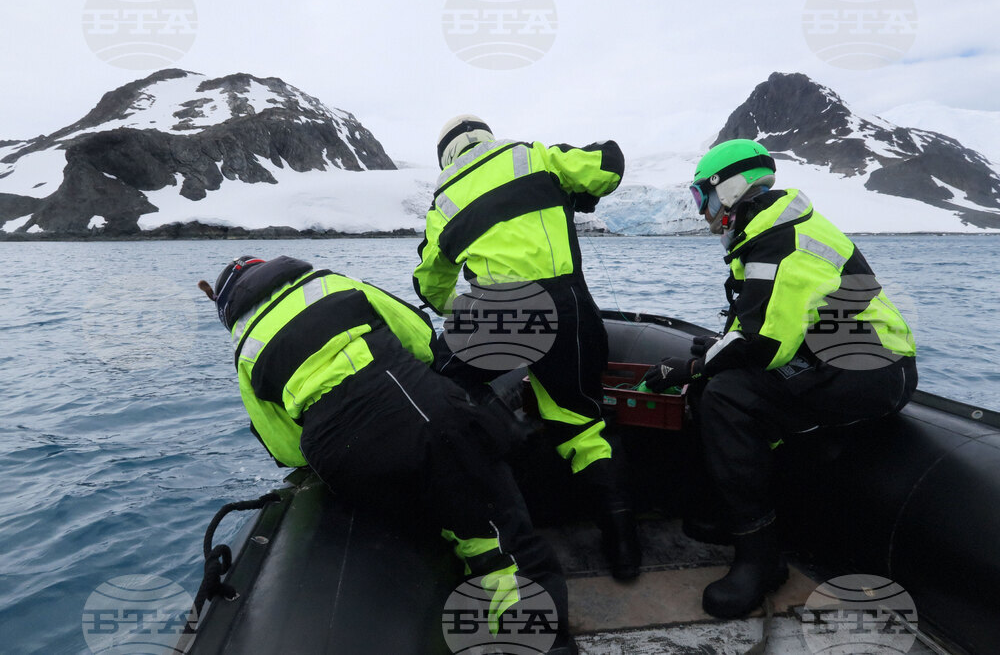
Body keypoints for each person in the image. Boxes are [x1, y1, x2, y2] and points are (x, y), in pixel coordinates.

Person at [198, 255, 576, 654]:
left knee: (443, 509)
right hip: (415, 410)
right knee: (505, 542)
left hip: (347, 464)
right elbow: (418, 336)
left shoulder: (245, 353)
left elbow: (285, 448)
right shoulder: (332, 284)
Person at [642, 138, 918, 618]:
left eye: (700, 198)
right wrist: (708, 362)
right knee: (719, 382)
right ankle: (737, 517)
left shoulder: (779, 241)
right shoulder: (773, 228)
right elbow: (767, 322)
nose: (702, 213)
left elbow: (763, 342)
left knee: (726, 395)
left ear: (725, 191)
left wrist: (687, 368)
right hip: (846, 359)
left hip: (872, 369)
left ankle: (760, 559)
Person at [413, 115, 642, 580]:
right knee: (581, 424)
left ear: (446, 156)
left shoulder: (445, 198)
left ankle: (503, 443)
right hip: (567, 304)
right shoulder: (534, 155)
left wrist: (461, 308)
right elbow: (609, 164)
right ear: (486, 135)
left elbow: (429, 281)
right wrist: (580, 193)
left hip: (501, 311)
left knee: (440, 385)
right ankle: (623, 545)